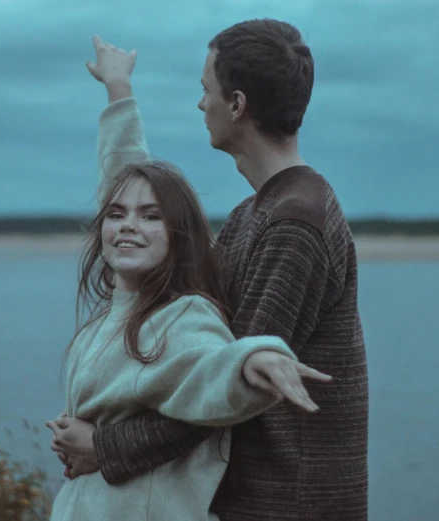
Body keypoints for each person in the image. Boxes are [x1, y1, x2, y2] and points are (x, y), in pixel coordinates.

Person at [51, 19, 369, 521]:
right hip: (249, 499)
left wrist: (106, 447)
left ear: (237, 104)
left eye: (206, 91)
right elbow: (144, 223)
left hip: (288, 504)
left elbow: (223, 382)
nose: (201, 105)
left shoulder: (294, 224)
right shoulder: (255, 214)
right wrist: (119, 95)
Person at [46, 158, 332, 520]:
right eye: (116, 214)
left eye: (151, 216)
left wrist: (250, 360)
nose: (129, 226)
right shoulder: (110, 316)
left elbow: (208, 370)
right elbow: (122, 158)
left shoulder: (185, 316)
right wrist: (119, 101)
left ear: (178, 235)